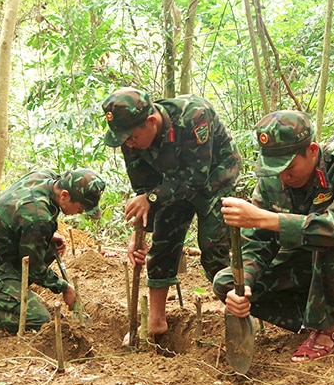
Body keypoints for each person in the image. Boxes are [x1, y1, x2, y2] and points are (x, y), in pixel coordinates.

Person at [213, 110, 334, 361]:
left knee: (329, 236)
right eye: (273, 168)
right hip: (305, 263)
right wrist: (243, 288)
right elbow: (258, 245)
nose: (282, 177)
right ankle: (307, 320)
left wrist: (263, 218)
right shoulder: (271, 183)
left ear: (311, 150)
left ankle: (326, 328)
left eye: (288, 167)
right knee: (227, 282)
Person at [101, 87, 241, 339]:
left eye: (131, 138)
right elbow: (144, 188)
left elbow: (197, 178)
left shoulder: (194, 116)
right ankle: (156, 321)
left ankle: (231, 304)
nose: (128, 144)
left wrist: (153, 197)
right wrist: (140, 232)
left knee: (212, 243)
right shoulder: (130, 138)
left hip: (214, 174)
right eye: (124, 139)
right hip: (173, 181)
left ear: (151, 122)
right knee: (164, 239)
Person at [0, 168, 106, 337]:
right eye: (81, 207)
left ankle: (12, 295)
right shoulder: (38, 216)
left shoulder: (45, 177)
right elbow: (34, 266)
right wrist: (64, 287)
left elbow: (19, 215)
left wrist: (45, 235)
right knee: (38, 319)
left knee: (48, 248)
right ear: (64, 195)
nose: (81, 212)